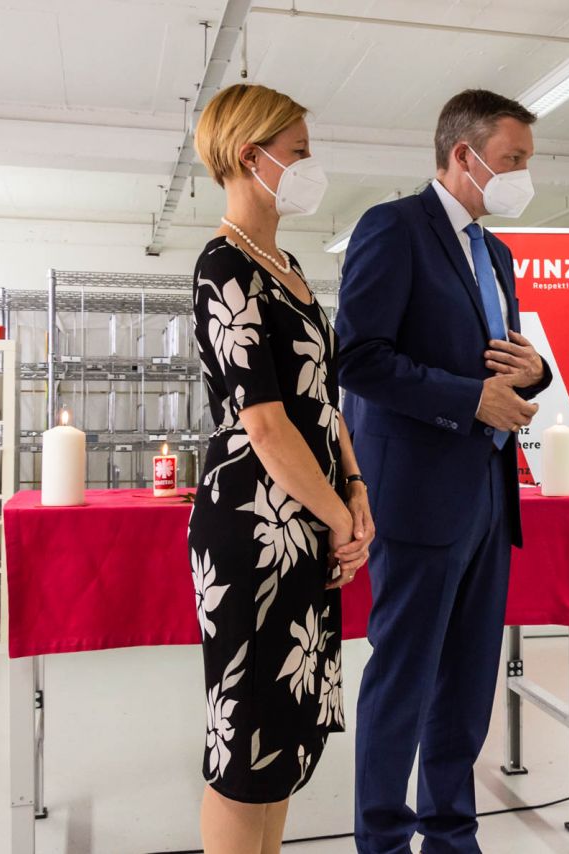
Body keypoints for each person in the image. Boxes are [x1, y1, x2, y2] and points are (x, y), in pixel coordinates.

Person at [334, 89, 553, 854]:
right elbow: (358, 360)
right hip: (419, 497)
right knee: (404, 681)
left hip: (489, 495)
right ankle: (384, 842)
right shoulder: (393, 230)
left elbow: (505, 365)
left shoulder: (497, 254)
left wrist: (538, 375)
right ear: (464, 155)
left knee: (465, 684)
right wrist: (471, 401)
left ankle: (452, 836)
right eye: (513, 160)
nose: (524, 175)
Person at [187, 82, 374, 854]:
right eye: (296, 152)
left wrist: (355, 492)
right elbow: (264, 422)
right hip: (254, 529)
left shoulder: (289, 265)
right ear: (247, 155)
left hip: (310, 519)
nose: (307, 165)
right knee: (244, 746)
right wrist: (338, 516)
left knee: (284, 741)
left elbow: (322, 402)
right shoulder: (224, 265)